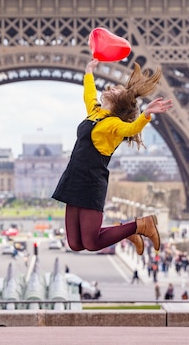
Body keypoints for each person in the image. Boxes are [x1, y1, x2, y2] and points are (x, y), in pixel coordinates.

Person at [51, 58, 173, 255]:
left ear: (118, 102)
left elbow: (131, 128)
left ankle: (141, 225)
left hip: (91, 183)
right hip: (73, 179)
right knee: (74, 244)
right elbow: (89, 95)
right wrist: (88, 71)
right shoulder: (95, 113)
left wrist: (146, 114)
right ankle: (124, 232)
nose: (109, 88)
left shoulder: (113, 124)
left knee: (91, 243)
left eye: (115, 90)